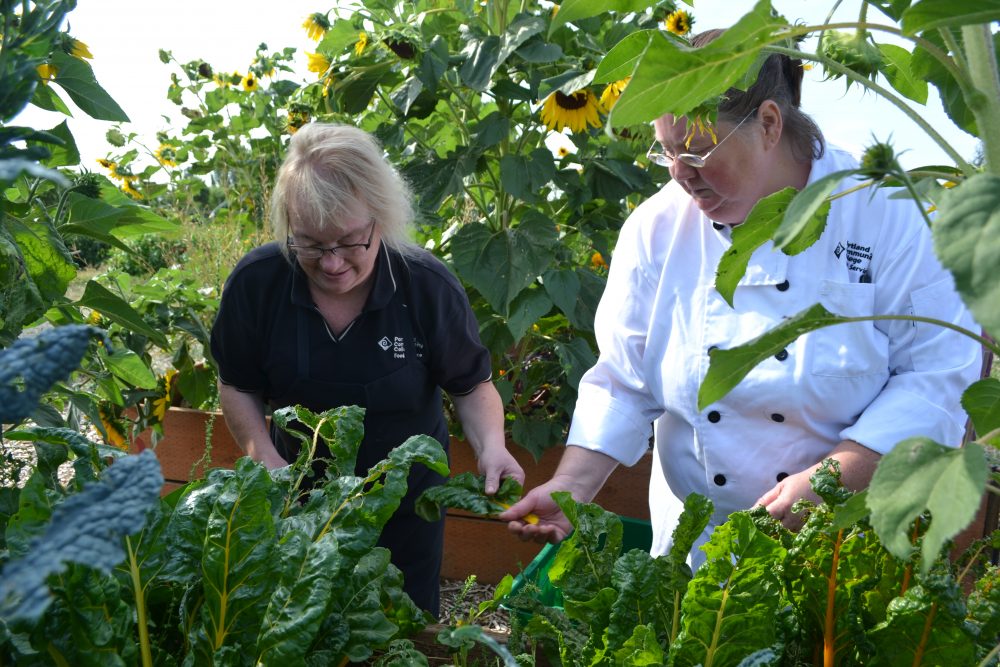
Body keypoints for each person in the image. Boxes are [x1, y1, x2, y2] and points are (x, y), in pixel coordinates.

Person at [500, 30, 982, 569]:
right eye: (665, 153)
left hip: (848, 540)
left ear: (770, 124)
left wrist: (832, 481)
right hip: (697, 548)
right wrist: (571, 485)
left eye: (697, 151)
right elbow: (624, 380)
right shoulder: (658, 227)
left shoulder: (886, 212)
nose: (681, 175)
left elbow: (937, 377)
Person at [209, 122, 524, 614]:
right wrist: (263, 457)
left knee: (399, 633)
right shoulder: (258, 284)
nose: (332, 263)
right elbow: (237, 386)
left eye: (350, 241)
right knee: (301, 626)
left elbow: (471, 386)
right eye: (311, 245)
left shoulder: (425, 287)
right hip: (299, 502)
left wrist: (493, 447)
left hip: (406, 507)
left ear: (381, 218)